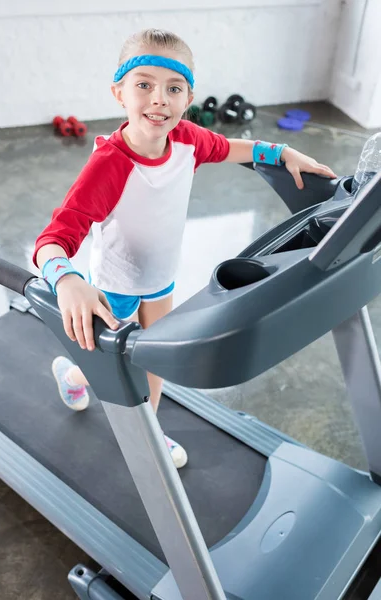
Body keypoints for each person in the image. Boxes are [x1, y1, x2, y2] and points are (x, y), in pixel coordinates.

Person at [34, 28, 337, 469]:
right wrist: (66, 280)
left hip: (161, 279)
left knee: (153, 361)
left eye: (173, 89)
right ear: (119, 92)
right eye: (144, 85)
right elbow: (53, 239)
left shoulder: (188, 141)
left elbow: (236, 147)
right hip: (115, 285)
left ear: (188, 97)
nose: (159, 99)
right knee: (112, 368)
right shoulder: (110, 164)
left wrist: (282, 151)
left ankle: (150, 434)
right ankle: (73, 374)